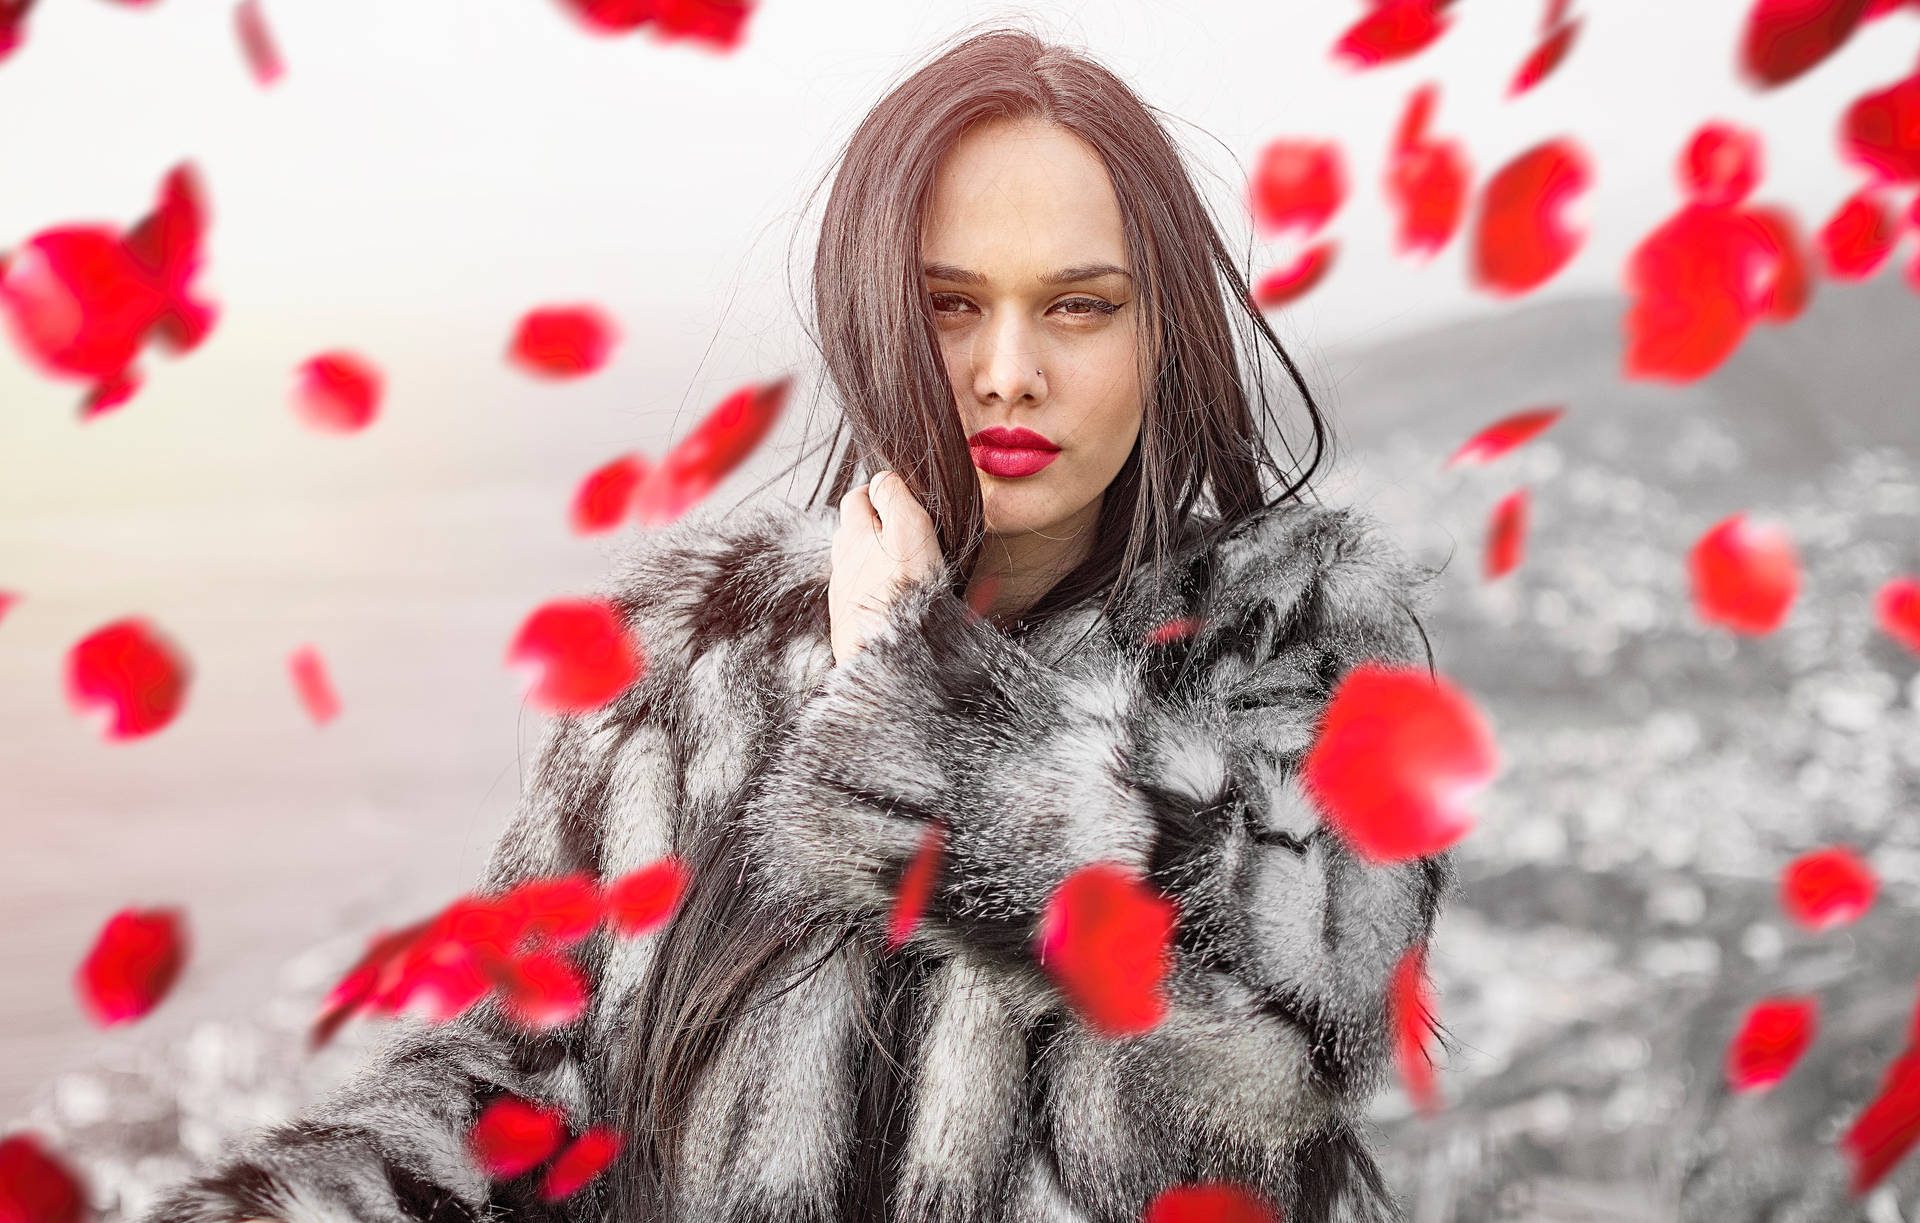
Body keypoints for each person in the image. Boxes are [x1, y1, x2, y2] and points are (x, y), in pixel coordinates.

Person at [139, 21, 1452, 1223]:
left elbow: (1311, 1005)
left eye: (1078, 304)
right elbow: (523, 1082)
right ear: (872, 314)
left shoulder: (1296, 641)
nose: (1008, 369)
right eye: (950, 304)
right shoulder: (692, 657)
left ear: (1163, 332)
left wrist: (924, 704)